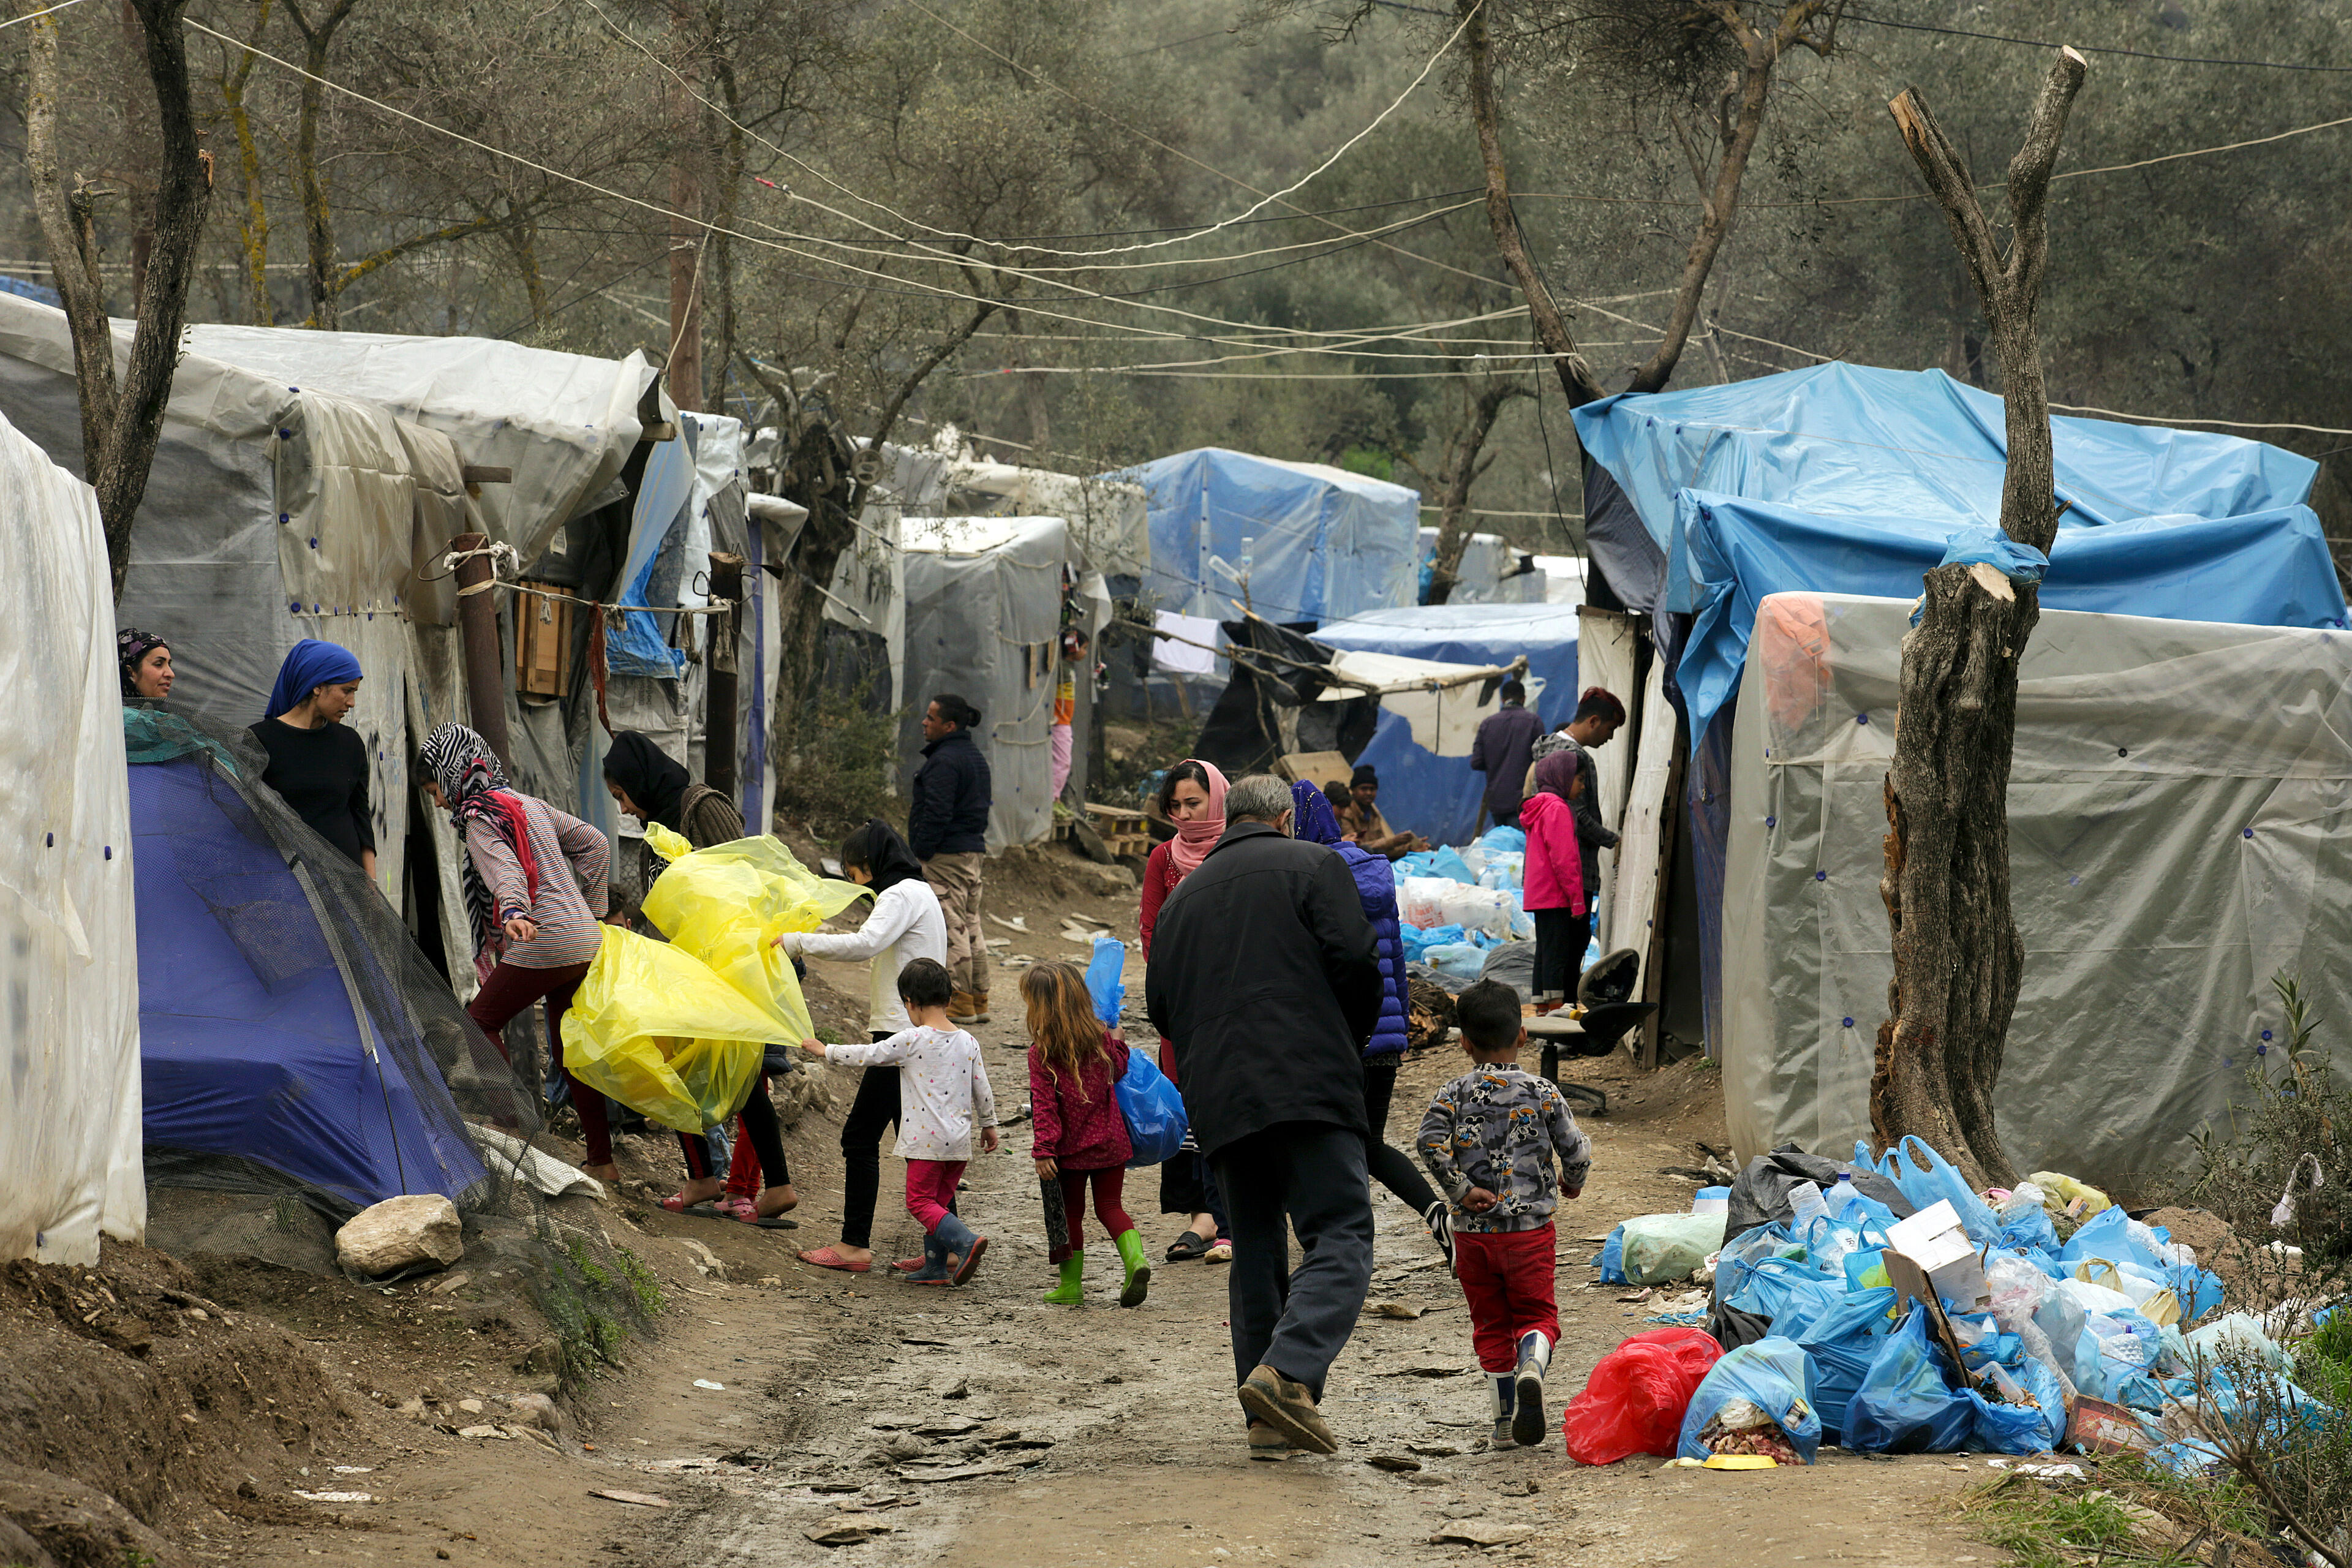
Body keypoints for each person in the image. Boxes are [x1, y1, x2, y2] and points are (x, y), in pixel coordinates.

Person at [1144, 773, 1382, 1456]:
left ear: (1228, 817)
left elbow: (1162, 1006)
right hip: (1309, 1083)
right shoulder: (1315, 864)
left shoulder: (1182, 899)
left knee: (1253, 1249)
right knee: (1339, 1230)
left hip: (1221, 1097)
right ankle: (1288, 1371)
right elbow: (1358, 963)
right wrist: (1345, 1042)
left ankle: (1264, 1423)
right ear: (1284, 819)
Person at [602, 732, 796, 1227]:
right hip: (685, 967)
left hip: (725, 963)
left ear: (641, 780)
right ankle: (756, 1184)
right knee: (692, 1065)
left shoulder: (700, 806)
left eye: (623, 796)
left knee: (734, 1068)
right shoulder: (655, 830)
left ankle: (732, 1180)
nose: (623, 809)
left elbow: (747, 872)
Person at [420, 722, 617, 1184]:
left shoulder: (478, 817)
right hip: (584, 939)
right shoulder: (526, 803)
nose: (439, 801)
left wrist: (515, 909)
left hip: (541, 936)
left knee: (478, 1022)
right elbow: (596, 842)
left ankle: (510, 1125)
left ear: (454, 773)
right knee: (572, 1049)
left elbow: (505, 868)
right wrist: (595, 912)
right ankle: (602, 1161)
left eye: (436, 789)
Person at [1415, 978, 1591, 1449]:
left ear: (1464, 1042)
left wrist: (1460, 1187)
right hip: (1530, 1234)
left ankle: (1503, 1424)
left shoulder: (1452, 1092)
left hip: (1473, 1236)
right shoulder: (1543, 1091)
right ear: (1523, 1035)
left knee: (1490, 1323)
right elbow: (1575, 1149)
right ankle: (1532, 1364)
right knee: (1537, 1315)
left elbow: (1428, 1142)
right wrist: (1572, 1182)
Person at [1289, 780, 1452, 1267]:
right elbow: (1397, 960)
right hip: (1382, 1040)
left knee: (1325, 1145)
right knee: (1369, 1143)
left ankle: (1336, 1248)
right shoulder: (1376, 873)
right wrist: (1399, 1027)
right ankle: (1432, 1209)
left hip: (1338, 1039)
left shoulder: (1313, 878)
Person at [779, 818, 948, 1274]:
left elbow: (865, 943)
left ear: (871, 865)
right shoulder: (924, 892)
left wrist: (796, 942)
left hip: (899, 1033)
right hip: (919, 1030)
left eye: (854, 875)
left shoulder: (898, 895)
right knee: (917, 1144)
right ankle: (947, 1246)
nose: (856, 885)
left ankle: (855, 1244)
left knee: (859, 1137)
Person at [802, 957, 998, 1286]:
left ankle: (965, 1241)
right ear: (950, 1000)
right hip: (959, 1142)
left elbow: (869, 1054)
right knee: (938, 1205)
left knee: (920, 1202)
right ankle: (935, 1268)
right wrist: (989, 1124)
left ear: (910, 1003)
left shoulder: (911, 1039)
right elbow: (982, 1086)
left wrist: (827, 1051)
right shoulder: (968, 1041)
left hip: (926, 1143)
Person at [1136, 759, 1232, 1264]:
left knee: (1232, 1101)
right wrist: (1176, 983)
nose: (1184, 815)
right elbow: (1151, 929)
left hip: (1235, 1001)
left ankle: (1235, 1213)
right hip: (1182, 1006)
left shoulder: (1237, 850)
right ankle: (1201, 1214)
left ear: (1216, 798)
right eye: (1175, 806)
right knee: (1187, 1104)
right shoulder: (1161, 859)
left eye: (1193, 803)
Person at [1022, 959, 1150, 1309]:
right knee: (1111, 1207)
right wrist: (1119, 1042)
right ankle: (1136, 1262)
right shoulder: (1101, 1041)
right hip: (1111, 1144)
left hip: (1070, 1153)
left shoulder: (1042, 1053)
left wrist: (1044, 1149)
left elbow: (1044, 1105)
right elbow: (1121, 1069)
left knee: (1072, 1214)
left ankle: (1071, 1285)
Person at [248, 638, 375, 876]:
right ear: (317, 686)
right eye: (346, 690)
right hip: (286, 884)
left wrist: (371, 886)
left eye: (354, 692)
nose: (352, 703)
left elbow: (361, 818)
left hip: (347, 885)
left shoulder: (350, 743)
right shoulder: (259, 741)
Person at [910, 693, 993, 1025]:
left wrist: (923, 850)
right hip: (971, 852)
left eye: (931, 718)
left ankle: (958, 1001)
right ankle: (978, 998)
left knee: (952, 924)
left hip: (947, 856)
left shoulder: (945, 761)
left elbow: (937, 812)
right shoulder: (973, 756)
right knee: (971, 923)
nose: (925, 723)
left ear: (950, 725)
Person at [1526, 687, 1626, 905]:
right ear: (1593, 721)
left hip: (1545, 877)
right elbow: (1577, 816)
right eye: (1610, 729)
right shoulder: (1575, 758)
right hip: (1572, 878)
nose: (1610, 737)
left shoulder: (1546, 750)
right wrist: (1615, 841)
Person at [1518, 751, 1589, 1019]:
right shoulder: (1558, 808)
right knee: (1559, 953)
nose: (1582, 786)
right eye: (1579, 779)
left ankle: (1542, 1014)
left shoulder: (1537, 807)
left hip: (1539, 894)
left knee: (1545, 951)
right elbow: (1564, 858)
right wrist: (1577, 898)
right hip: (1556, 894)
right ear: (1562, 777)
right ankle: (1557, 1020)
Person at [1468, 679, 1542, 832]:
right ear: (1524, 699)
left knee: (1504, 850)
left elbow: (1476, 762)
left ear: (1502, 699)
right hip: (1524, 800)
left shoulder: (1487, 724)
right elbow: (1542, 759)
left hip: (1497, 800)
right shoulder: (1533, 721)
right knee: (1521, 850)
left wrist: (1495, 761)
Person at [1340, 765, 1428, 861]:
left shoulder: (1373, 814)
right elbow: (1357, 847)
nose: (1369, 793)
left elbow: (1384, 849)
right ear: (1353, 790)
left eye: (1372, 789)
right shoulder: (1346, 813)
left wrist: (1410, 847)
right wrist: (1393, 841)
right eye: (1364, 789)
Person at [118, 628, 175, 706]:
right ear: (130, 672)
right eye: (158, 664)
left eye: (169, 665)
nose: (171, 674)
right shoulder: (107, 715)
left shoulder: (164, 717)